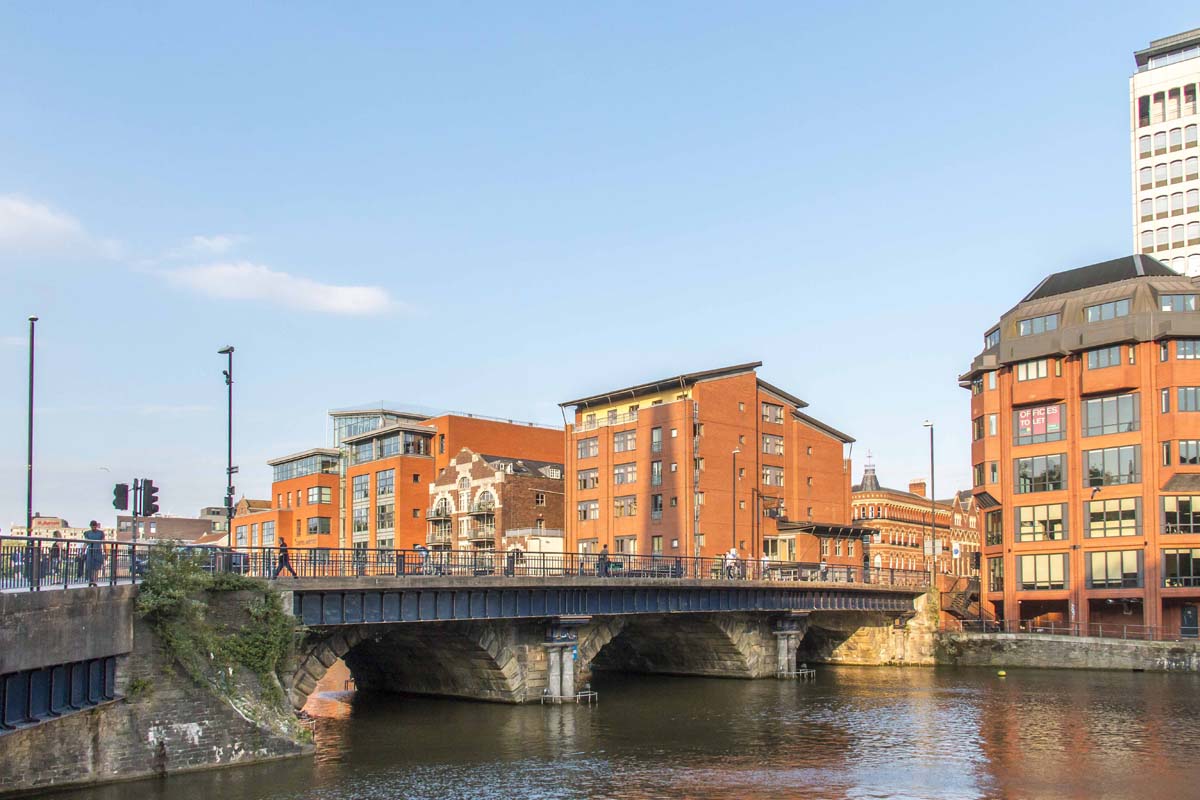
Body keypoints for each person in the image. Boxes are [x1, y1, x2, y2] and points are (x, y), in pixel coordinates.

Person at [84, 520, 105, 587]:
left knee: (96, 567)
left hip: (98, 550)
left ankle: (95, 580)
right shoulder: (88, 533)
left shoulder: (101, 533)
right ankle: (91, 580)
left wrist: (105, 551)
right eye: (92, 526)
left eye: (94, 526)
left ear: (96, 526)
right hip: (90, 551)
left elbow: (103, 543)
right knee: (90, 566)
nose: (93, 527)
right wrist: (82, 551)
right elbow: (86, 543)